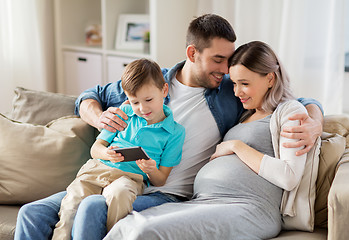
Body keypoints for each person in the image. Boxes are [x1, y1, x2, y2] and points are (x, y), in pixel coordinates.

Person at [15, 14, 323, 240]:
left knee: (94, 207)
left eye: (228, 60)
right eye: (218, 60)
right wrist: (98, 118)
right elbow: (90, 96)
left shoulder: (229, 93)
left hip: (164, 192)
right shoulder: (150, 82)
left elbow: (286, 96)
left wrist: (314, 122)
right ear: (192, 53)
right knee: (32, 213)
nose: (225, 69)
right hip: (113, 174)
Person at [104, 40, 312, 240]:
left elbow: (289, 176)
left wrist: (236, 146)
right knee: (128, 226)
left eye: (245, 84)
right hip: (203, 201)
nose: (237, 92)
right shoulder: (245, 112)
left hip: (247, 207)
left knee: (145, 232)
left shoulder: (288, 111)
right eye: (235, 83)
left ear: (270, 79)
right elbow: (102, 93)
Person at [51, 59, 185, 240]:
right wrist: (107, 153)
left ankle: (113, 235)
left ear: (164, 90)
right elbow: (96, 148)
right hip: (97, 171)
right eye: (135, 102)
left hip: (130, 179)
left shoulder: (175, 132)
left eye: (148, 100)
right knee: (70, 206)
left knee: (120, 194)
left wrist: (151, 169)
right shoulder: (125, 112)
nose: (142, 108)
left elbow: (160, 180)